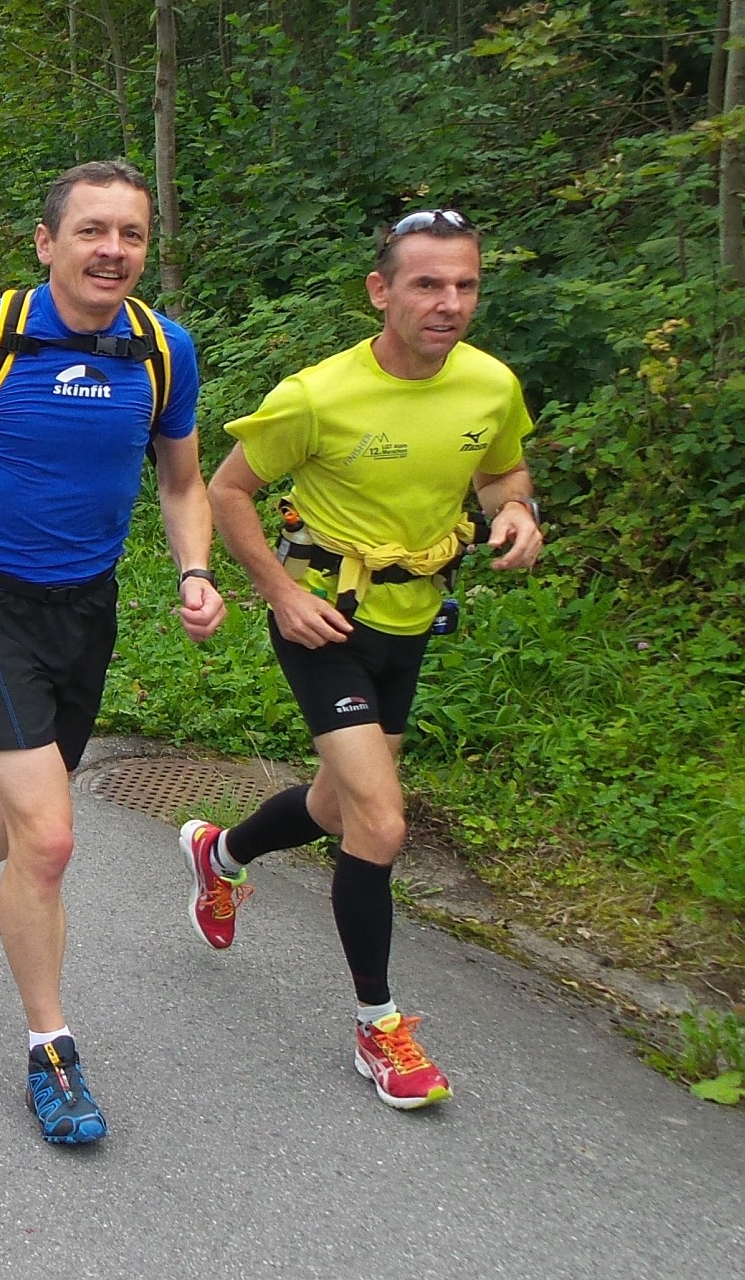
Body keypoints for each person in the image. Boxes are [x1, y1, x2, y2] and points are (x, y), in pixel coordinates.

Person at [0, 161, 226, 1145]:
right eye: (93, 231)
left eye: (133, 235)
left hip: (85, 613)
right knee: (52, 838)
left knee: (33, 810)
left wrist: (193, 569)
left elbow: (184, 482)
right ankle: (50, 1053)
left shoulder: (163, 351)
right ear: (47, 242)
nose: (114, 250)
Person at [186, 208, 543, 1111]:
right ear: (381, 290)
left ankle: (222, 854)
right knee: (380, 825)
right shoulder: (318, 394)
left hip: (413, 620)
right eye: (427, 283)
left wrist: (516, 510)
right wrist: (279, 592)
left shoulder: (490, 385)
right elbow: (228, 490)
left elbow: (504, 470)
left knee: (336, 803)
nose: (449, 303)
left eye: (464, 284)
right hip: (325, 624)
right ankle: (378, 1026)